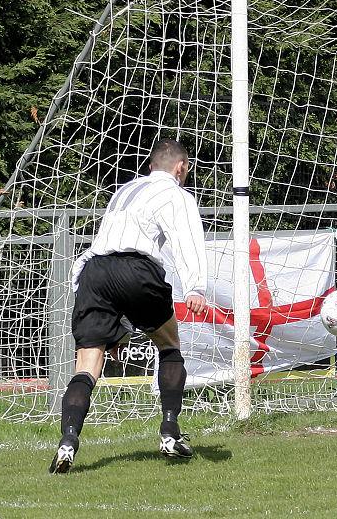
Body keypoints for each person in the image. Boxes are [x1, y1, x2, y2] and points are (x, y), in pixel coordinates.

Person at [49, 139, 209, 474]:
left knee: (86, 364)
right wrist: (196, 286)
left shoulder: (125, 189)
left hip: (94, 272)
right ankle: (169, 432)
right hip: (136, 268)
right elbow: (187, 238)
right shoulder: (176, 194)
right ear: (181, 168)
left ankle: (68, 440)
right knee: (168, 344)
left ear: (151, 166)